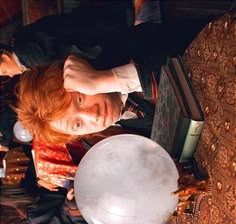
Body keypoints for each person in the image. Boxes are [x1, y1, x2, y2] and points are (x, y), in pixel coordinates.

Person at [14, 12, 226, 144]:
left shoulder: (125, 45)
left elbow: (201, 57)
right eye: (78, 125)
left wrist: (103, 80)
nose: (92, 115)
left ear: (77, 75)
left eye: (80, 99)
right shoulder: (110, 140)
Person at [0, 2, 133, 77]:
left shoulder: (30, 55)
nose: (10, 75)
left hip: (103, 37)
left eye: (4, 71)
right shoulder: (22, 40)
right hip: (94, 22)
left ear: (5, 57)